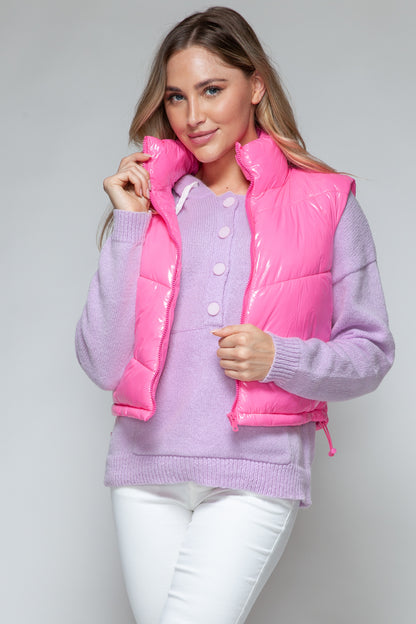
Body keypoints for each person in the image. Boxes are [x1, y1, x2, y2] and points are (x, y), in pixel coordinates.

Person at [75, 6, 394, 623]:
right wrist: (129, 224)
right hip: (145, 472)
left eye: (212, 89)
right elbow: (102, 364)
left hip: (255, 471)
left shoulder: (326, 201)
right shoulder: (152, 204)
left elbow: (371, 353)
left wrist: (280, 358)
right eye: (176, 97)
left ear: (256, 86)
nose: (193, 116)